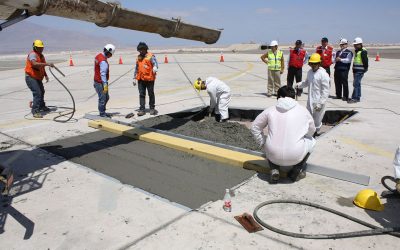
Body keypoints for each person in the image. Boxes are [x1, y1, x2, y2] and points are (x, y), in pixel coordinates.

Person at [251, 86, 316, 183]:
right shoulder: (303, 110)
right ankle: (296, 170)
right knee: (312, 141)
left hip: (273, 155)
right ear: (293, 97)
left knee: (269, 142)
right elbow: (312, 130)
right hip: (295, 155)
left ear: (279, 97)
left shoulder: (270, 110)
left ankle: (274, 169)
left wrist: (263, 143)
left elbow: (255, 127)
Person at [296, 53, 330, 135]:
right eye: (312, 64)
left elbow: (325, 91)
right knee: (309, 117)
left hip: (318, 101)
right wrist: (299, 85)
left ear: (319, 63)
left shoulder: (323, 74)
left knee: (317, 119)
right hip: (310, 100)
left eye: (315, 64)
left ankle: (317, 133)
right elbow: (307, 82)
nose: (313, 65)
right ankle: (310, 132)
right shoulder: (310, 72)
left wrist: (321, 103)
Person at [25, 40, 55, 118]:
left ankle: (41, 106)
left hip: (37, 77)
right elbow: (34, 63)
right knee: (37, 93)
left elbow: (42, 67)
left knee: (42, 91)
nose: (41, 49)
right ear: (35, 47)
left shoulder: (41, 56)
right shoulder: (33, 55)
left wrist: (45, 75)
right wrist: (47, 64)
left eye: (42, 47)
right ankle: (35, 111)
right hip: (31, 77)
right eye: (39, 47)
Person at [134, 42, 159, 116]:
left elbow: (155, 63)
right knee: (141, 94)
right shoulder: (138, 57)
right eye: (139, 50)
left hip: (149, 79)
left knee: (150, 93)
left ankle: (152, 108)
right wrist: (134, 77)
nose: (141, 51)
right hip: (140, 79)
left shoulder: (150, 56)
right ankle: (142, 109)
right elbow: (136, 68)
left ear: (145, 49)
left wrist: (155, 67)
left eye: (142, 50)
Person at [94, 44, 115, 117]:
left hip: (97, 81)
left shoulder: (98, 56)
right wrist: (105, 85)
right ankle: (102, 114)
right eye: (111, 54)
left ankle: (103, 111)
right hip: (101, 83)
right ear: (108, 52)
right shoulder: (103, 61)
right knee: (102, 99)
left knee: (106, 97)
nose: (110, 56)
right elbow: (103, 74)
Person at [348, 37, 368, 103]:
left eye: (356, 45)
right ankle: (358, 97)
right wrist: (353, 70)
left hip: (360, 71)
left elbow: (365, 62)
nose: (354, 46)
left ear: (360, 44)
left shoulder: (363, 52)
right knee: (358, 84)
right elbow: (355, 62)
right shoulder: (357, 51)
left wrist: (365, 69)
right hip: (356, 71)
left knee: (355, 84)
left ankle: (355, 98)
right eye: (354, 45)